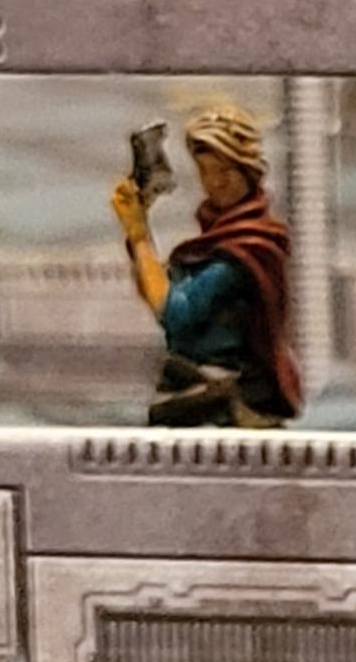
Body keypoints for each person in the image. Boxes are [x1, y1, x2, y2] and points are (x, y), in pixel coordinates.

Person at [108, 102, 302, 428]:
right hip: (197, 386)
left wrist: (139, 233)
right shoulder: (216, 242)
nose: (215, 182)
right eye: (206, 171)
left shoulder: (245, 251)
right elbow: (160, 289)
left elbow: (175, 314)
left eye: (225, 171)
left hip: (228, 401)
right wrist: (137, 235)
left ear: (248, 171)